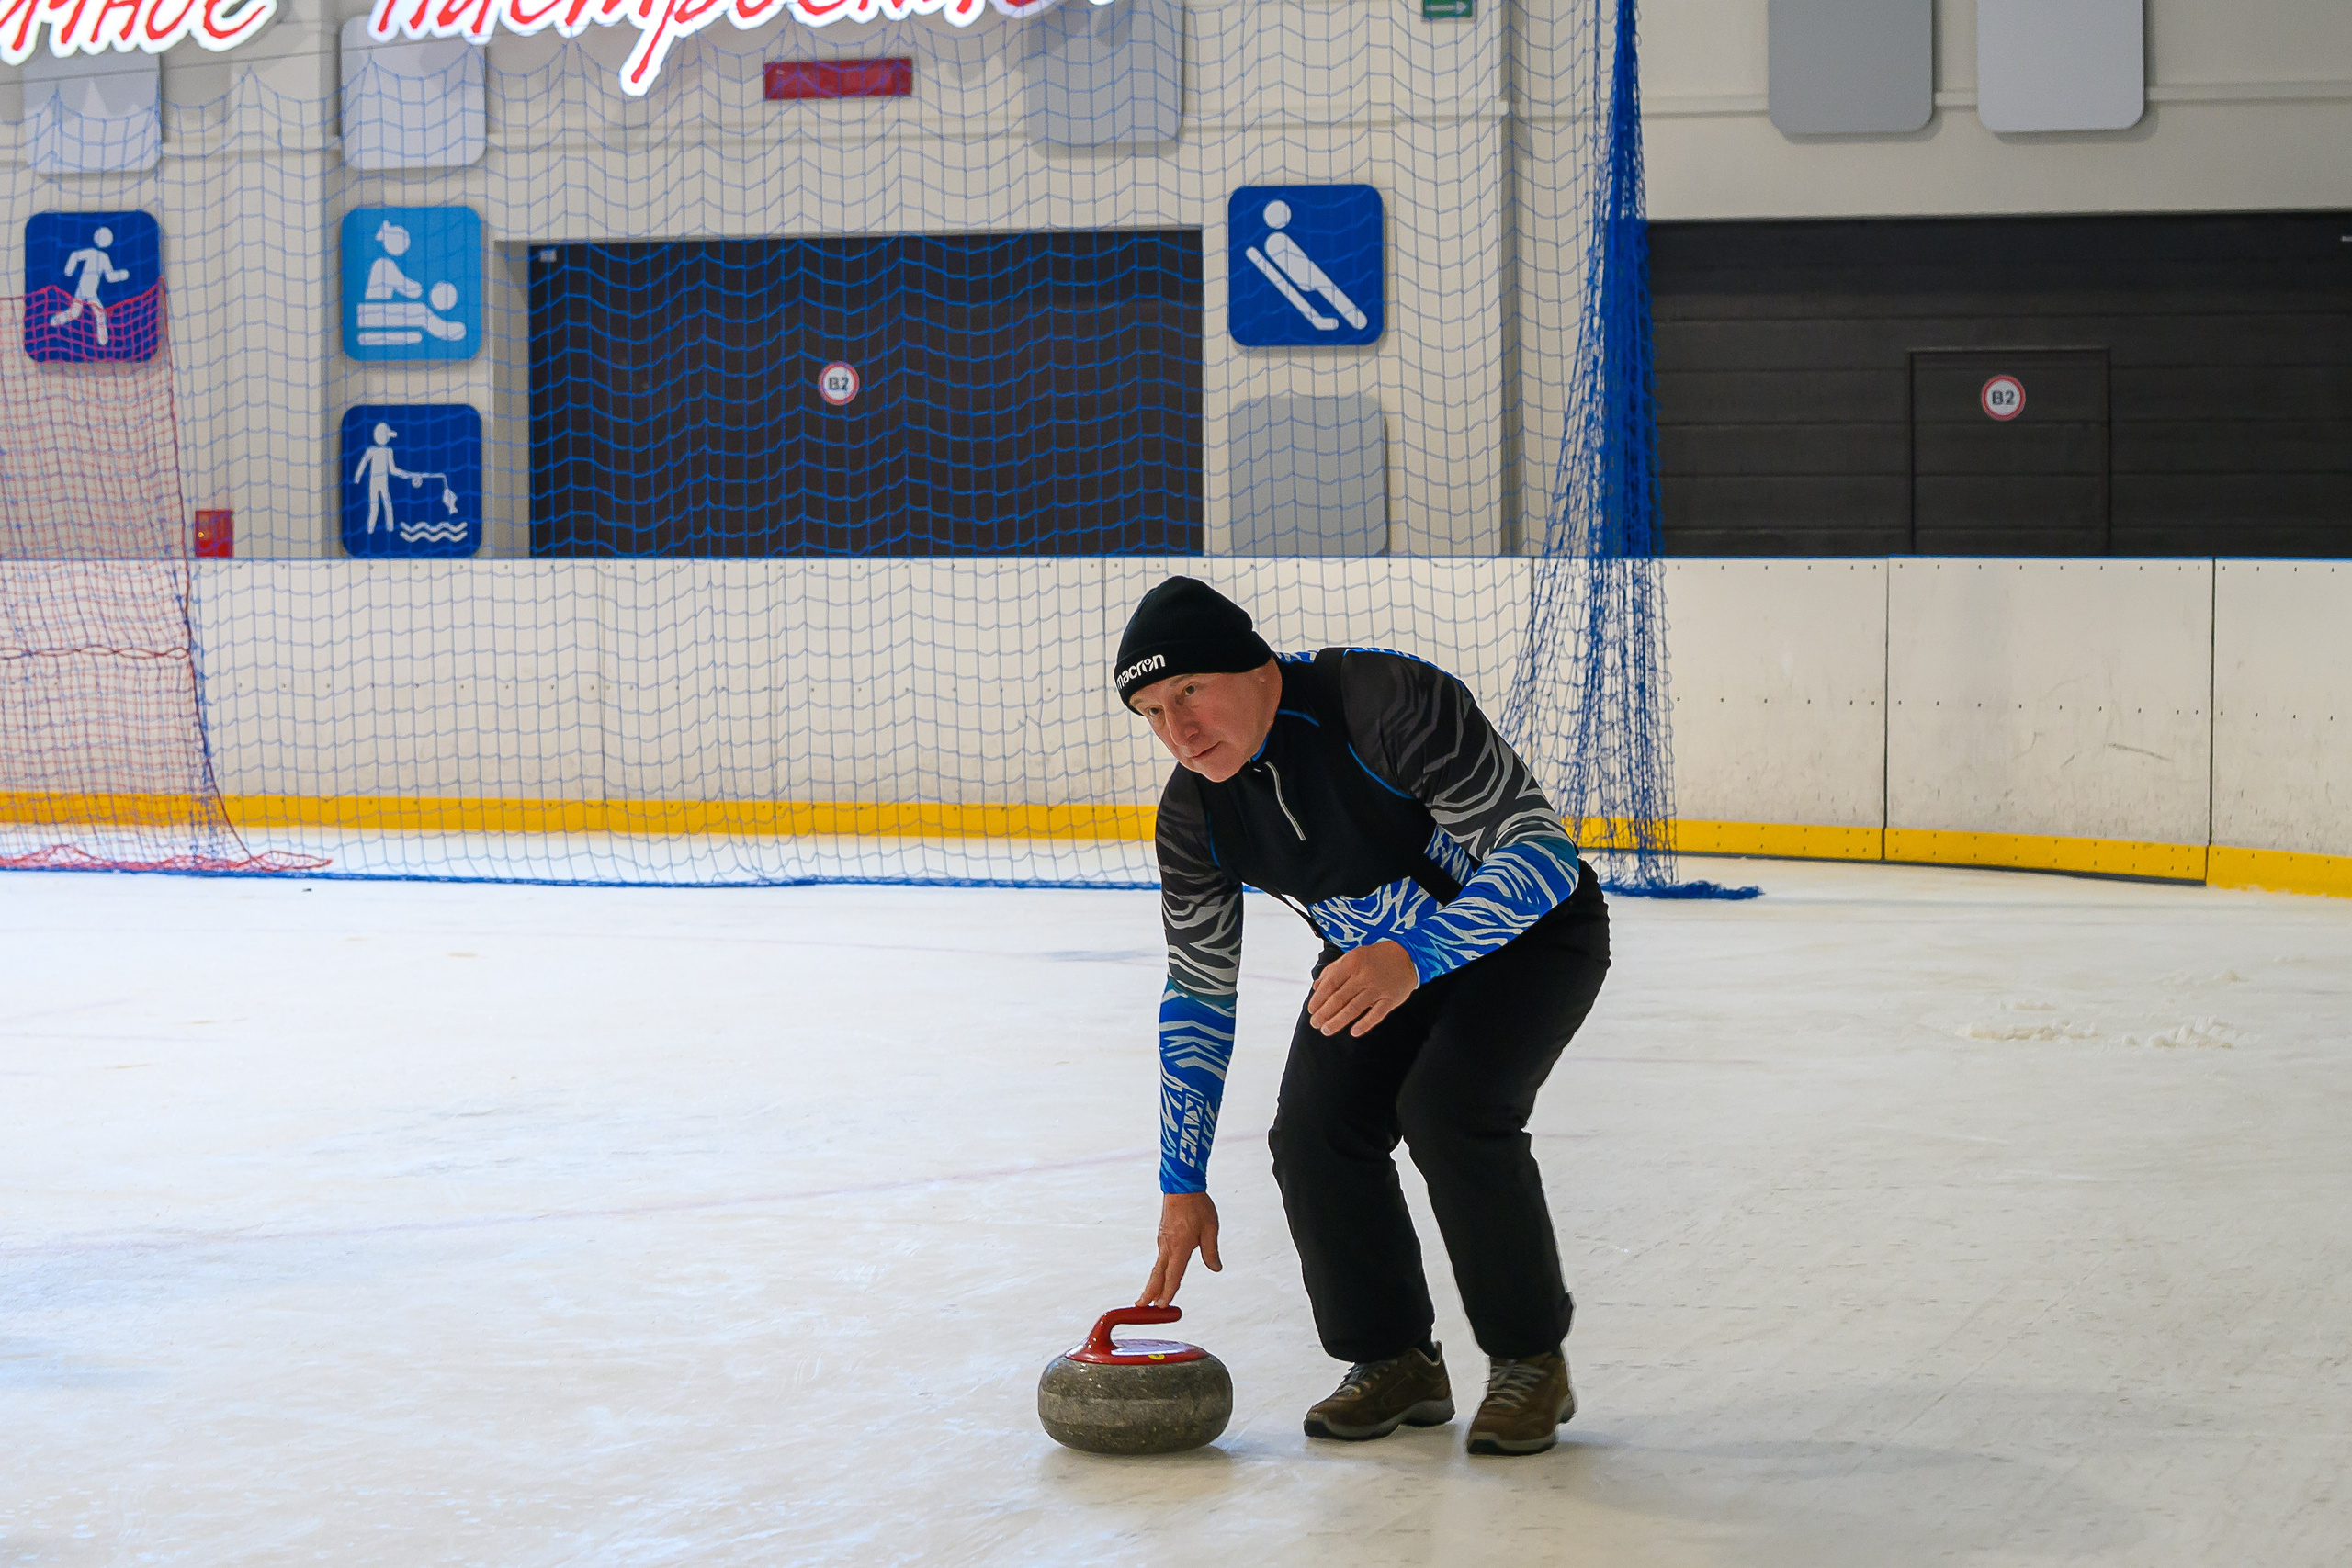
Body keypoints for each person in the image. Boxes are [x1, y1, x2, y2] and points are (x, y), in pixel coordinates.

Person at [1118, 576, 1611, 1458]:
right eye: (1153, 712)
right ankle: (1395, 1360)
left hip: (1529, 941)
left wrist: (1414, 954)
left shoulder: (1383, 702)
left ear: (1258, 667)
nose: (1179, 732)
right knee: (1313, 1134)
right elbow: (1197, 988)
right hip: (1378, 964)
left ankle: (1529, 1360)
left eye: (1190, 691)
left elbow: (1541, 853)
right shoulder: (1194, 813)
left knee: (1451, 1111)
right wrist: (1180, 1181)